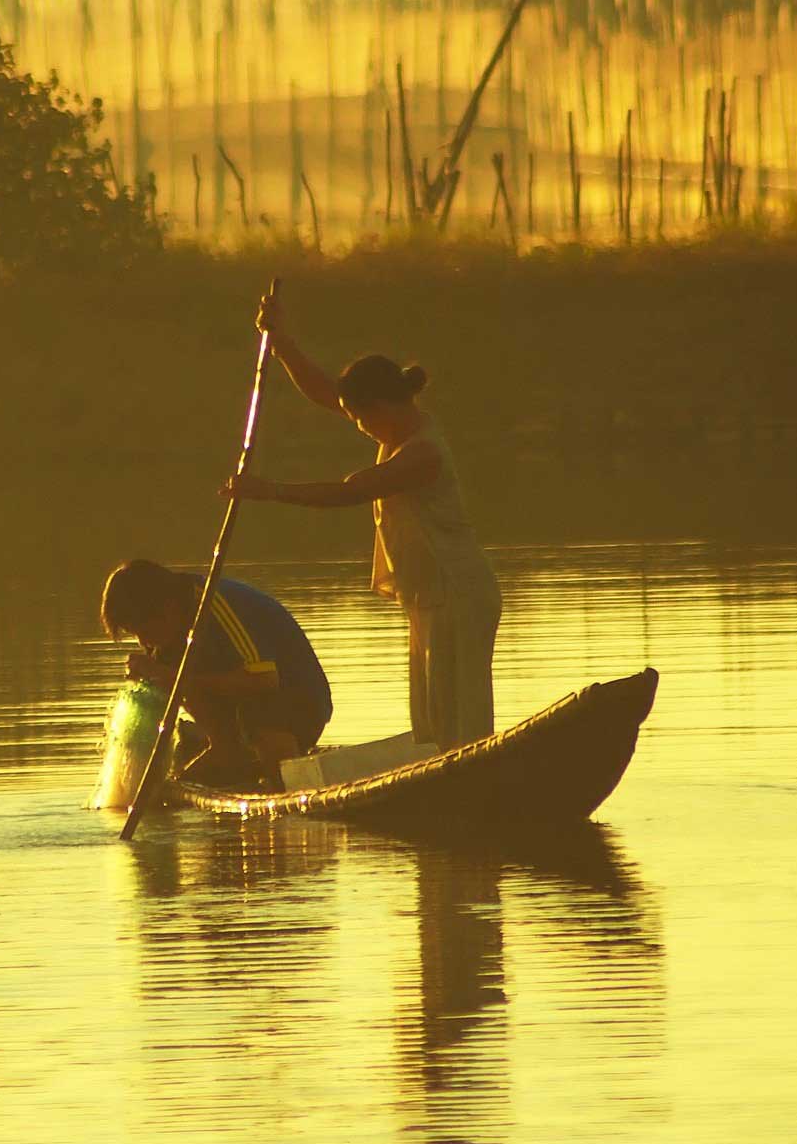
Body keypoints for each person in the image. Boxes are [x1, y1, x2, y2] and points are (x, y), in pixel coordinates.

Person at [221, 287, 502, 750]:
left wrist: (268, 491)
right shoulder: (390, 427)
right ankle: (441, 778)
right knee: (431, 715)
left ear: (385, 406)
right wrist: (280, 340)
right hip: (427, 595)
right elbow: (322, 390)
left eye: (360, 418)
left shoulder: (422, 453)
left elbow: (349, 492)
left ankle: (474, 780)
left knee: (460, 717)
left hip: (459, 592)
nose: (357, 426)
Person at [100, 559, 332, 789]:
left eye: (144, 629)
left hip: (297, 700)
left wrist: (172, 677)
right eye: (134, 633)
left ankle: (278, 771)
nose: (143, 641)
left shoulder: (215, 605)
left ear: (168, 608)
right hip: (238, 707)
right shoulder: (165, 635)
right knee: (170, 678)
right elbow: (177, 686)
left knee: (254, 715)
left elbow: (265, 681)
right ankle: (224, 748)